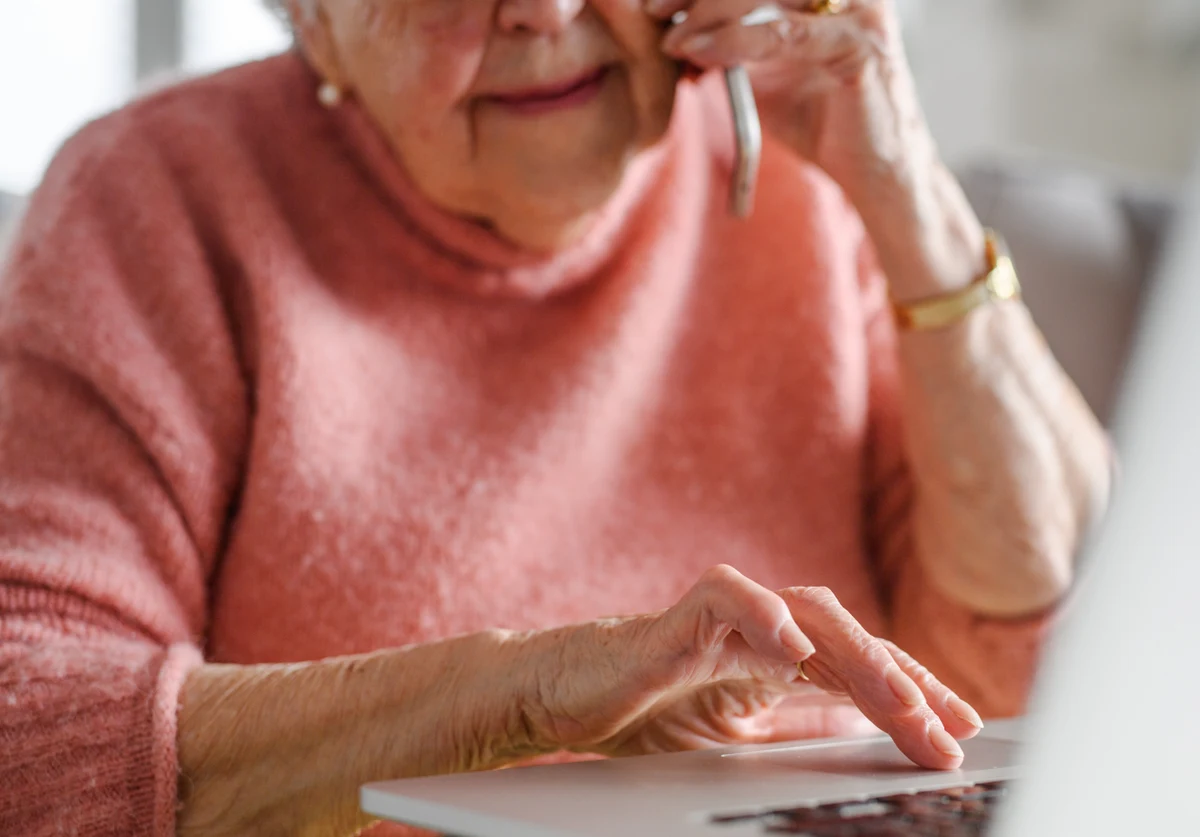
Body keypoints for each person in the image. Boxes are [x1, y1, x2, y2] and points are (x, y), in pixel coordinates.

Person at [0, 0, 1113, 835]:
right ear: (310, 22)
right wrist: (523, 703)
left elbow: (1023, 679)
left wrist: (903, 188)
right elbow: (39, 740)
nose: (544, 8)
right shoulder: (155, 200)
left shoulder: (797, 176)